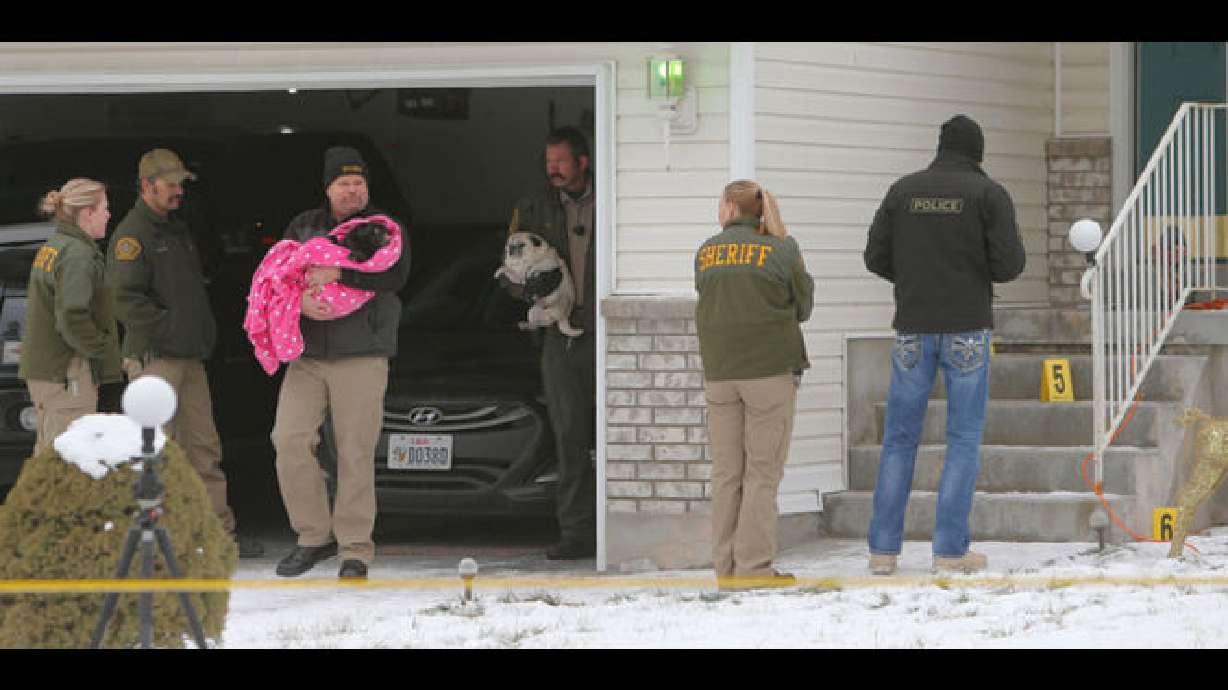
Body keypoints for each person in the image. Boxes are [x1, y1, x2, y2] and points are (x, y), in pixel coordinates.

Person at [862, 114, 1026, 575]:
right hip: (967, 327)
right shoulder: (988, 194)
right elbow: (1010, 265)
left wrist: (913, 277)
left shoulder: (903, 191)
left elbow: (875, 256)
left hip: (912, 327)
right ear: (978, 151)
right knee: (962, 440)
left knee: (899, 439)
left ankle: (882, 551)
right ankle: (950, 552)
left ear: (940, 147)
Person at [106, 148, 264, 559]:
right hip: (155, 357)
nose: (179, 191)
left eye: (181, 183)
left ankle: (216, 535)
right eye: (171, 184)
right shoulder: (133, 234)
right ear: (147, 185)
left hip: (188, 357)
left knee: (203, 448)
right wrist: (168, 329)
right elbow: (123, 298)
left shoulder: (176, 229)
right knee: (157, 451)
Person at [270, 146, 411, 580]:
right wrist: (299, 304)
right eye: (344, 183)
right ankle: (313, 535)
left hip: (362, 353)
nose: (353, 190)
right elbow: (278, 274)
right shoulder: (303, 226)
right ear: (327, 188)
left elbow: (395, 275)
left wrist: (340, 275)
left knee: (355, 451)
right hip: (308, 355)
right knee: (288, 439)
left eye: (359, 182)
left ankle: (354, 548)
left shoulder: (382, 227)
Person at [694, 179, 813, 590]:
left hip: (719, 374)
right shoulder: (782, 250)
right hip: (769, 373)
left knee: (726, 473)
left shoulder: (706, 252)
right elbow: (804, 306)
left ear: (730, 208)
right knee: (761, 473)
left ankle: (725, 569)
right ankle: (755, 569)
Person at [506, 127, 597, 560]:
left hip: (604, 332)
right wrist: (526, 290)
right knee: (569, 434)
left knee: (612, 433)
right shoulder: (533, 207)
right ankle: (576, 532)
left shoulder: (613, 198)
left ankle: (612, 528)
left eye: (561, 161)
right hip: (559, 336)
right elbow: (509, 268)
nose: (553, 169)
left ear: (583, 162)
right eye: (549, 162)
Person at [19, 178, 122, 454]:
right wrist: (103, 348)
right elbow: (72, 315)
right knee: (69, 458)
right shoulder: (77, 255)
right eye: (104, 208)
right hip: (67, 372)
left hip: (49, 372)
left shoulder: (55, 246)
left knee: (49, 455)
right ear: (87, 213)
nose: (109, 215)